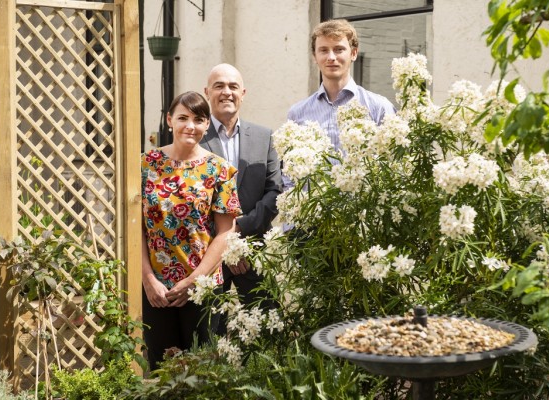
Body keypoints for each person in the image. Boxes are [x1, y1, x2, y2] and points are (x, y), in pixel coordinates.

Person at [141, 91, 242, 371]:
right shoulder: (144, 165)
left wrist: (195, 282)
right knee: (162, 372)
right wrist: (148, 279)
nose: (190, 126)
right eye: (183, 118)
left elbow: (226, 232)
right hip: (157, 289)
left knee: (203, 371)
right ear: (169, 120)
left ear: (207, 125)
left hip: (203, 287)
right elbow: (135, 228)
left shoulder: (220, 170)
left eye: (198, 119)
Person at [201, 63, 282, 333]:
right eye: (219, 86)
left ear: (243, 93)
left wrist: (240, 236)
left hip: (254, 251)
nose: (227, 92)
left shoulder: (263, 136)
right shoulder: (194, 138)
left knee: (269, 329)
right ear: (207, 92)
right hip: (206, 257)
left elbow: (274, 192)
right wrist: (225, 246)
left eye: (233, 86)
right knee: (208, 336)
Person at [287, 19, 397, 152]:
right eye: (323, 50)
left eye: (339, 49)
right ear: (314, 57)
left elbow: (395, 165)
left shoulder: (379, 108)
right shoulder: (298, 113)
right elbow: (290, 169)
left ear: (354, 53)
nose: (331, 57)